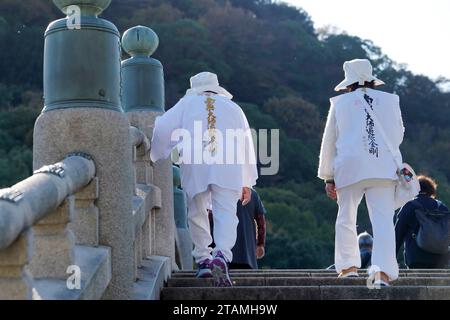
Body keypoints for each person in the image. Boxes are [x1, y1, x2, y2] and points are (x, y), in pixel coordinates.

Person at [150, 72, 258, 287]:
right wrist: (247, 181)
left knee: (197, 210)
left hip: (195, 162)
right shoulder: (233, 107)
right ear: (216, 87)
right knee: (226, 212)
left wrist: (156, 153)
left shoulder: (186, 103)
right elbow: (247, 143)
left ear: (194, 88)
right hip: (228, 164)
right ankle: (222, 255)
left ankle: (204, 260)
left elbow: (162, 128)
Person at [318, 58, 405, 286]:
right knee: (384, 221)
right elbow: (397, 135)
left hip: (350, 167)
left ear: (349, 83)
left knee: (346, 217)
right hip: (382, 168)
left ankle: (348, 268)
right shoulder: (390, 100)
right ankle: (382, 274)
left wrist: (329, 176)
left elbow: (330, 141)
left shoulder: (341, 103)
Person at [395, 175, 450, 268]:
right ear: (431, 190)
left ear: (414, 189)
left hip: (416, 258)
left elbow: (397, 236)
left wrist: (391, 261)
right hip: (441, 259)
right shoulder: (442, 207)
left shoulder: (409, 206)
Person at [208, 189, 267, 269]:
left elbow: (209, 220)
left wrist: (207, 247)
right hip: (246, 253)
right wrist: (260, 244)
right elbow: (261, 221)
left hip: (222, 251)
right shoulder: (252, 194)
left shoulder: (218, 192)